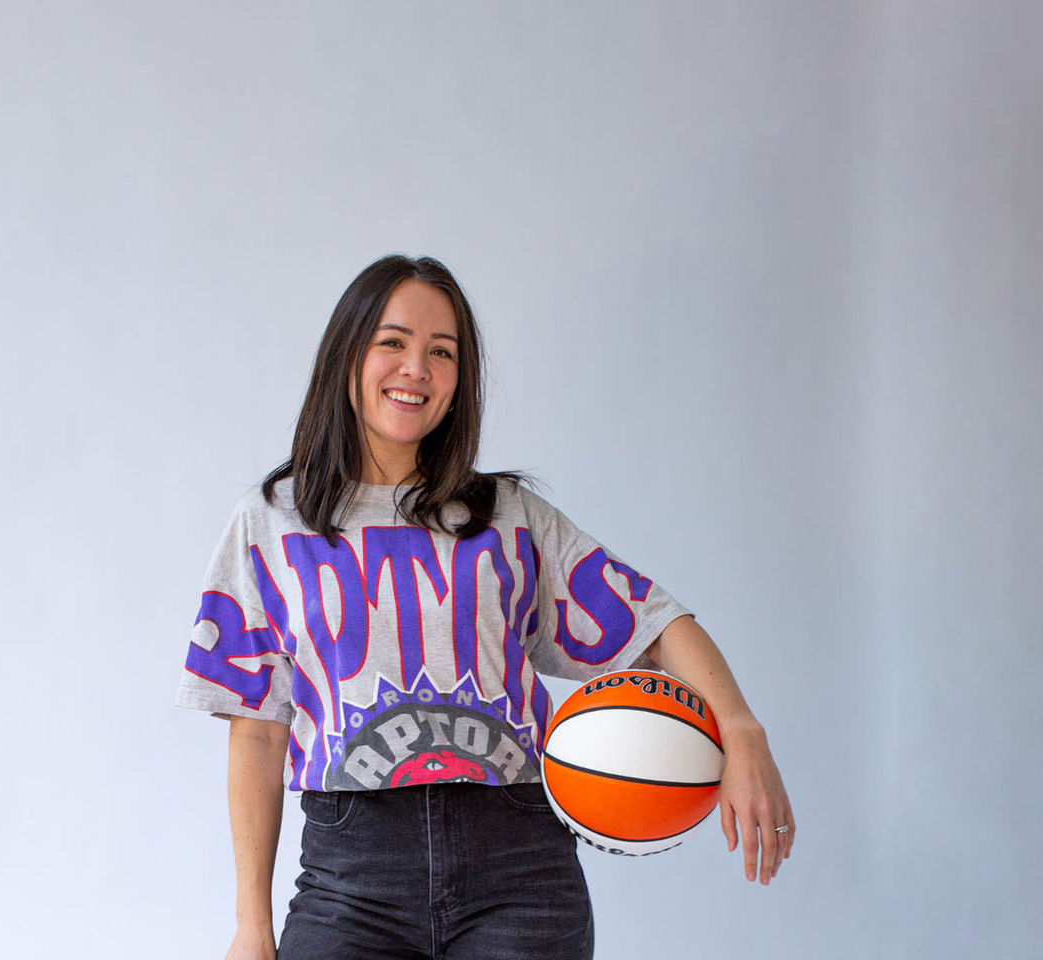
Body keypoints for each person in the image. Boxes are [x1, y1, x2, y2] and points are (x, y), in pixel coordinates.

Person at [177, 255, 794, 960]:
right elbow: (257, 733)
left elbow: (655, 624)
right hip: (351, 881)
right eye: (394, 342)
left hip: (519, 872)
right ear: (347, 354)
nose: (418, 368)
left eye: (443, 353)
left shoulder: (506, 517)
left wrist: (742, 730)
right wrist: (252, 925)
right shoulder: (271, 523)